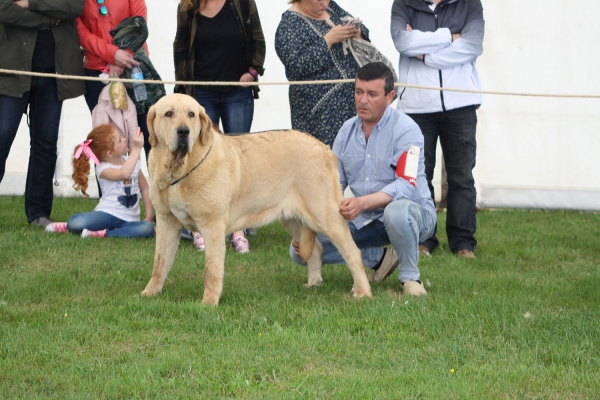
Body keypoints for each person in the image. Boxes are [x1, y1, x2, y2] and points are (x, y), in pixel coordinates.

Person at [289, 62, 436, 296]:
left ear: (390, 97)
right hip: (366, 220)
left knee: (395, 211)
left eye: (372, 94)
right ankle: (381, 259)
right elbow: (333, 183)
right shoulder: (346, 131)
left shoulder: (408, 131)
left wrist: (361, 203)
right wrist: (313, 221)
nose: (363, 100)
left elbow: (406, 186)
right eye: (359, 92)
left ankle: (410, 279)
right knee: (300, 251)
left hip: (414, 216)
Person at [391, 0, 484, 258]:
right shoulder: (403, 3)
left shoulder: (470, 4)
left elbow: (472, 46)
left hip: (461, 103)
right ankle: (424, 239)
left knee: (462, 177)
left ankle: (463, 243)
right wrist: (448, 37)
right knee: (418, 176)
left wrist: (424, 54)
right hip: (417, 106)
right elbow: (402, 43)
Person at [173, 0, 266, 254]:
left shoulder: (243, 3)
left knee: (239, 157)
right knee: (200, 158)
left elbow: (258, 40)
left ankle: (239, 227)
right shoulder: (187, 6)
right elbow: (180, 46)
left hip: (238, 92)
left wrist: (253, 71)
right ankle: (200, 226)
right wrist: (183, 86)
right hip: (200, 96)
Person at [0, 0, 86, 228]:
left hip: (53, 70)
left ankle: (38, 213)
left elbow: (74, 7)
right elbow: (4, 9)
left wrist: (30, 3)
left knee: (45, 144)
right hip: (12, 69)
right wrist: (47, 20)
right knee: (1, 138)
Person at [275, 0, 367, 146]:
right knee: (320, 160)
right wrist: (328, 40)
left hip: (348, 104)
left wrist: (357, 31)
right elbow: (295, 66)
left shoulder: (331, 7)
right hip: (319, 113)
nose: (324, 3)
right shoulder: (289, 24)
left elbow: (363, 30)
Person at [45, 124, 154, 238]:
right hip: (107, 214)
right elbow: (124, 173)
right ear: (110, 153)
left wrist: (149, 217)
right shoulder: (102, 168)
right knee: (76, 223)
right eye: (119, 141)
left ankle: (102, 233)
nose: (124, 140)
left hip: (130, 219)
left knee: (147, 229)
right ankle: (67, 226)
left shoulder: (133, 163)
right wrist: (137, 148)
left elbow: (145, 188)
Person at [75, 0, 153, 157]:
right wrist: (112, 54)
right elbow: (80, 32)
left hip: (134, 67)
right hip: (97, 74)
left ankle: (152, 182)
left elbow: (139, 22)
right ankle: (115, 181)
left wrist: (122, 54)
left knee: (148, 134)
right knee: (108, 142)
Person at [92, 81, 138, 154]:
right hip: (108, 155)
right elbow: (100, 141)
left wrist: (135, 162)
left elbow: (134, 136)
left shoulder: (130, 106)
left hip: (123, 153)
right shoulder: (99, 110)